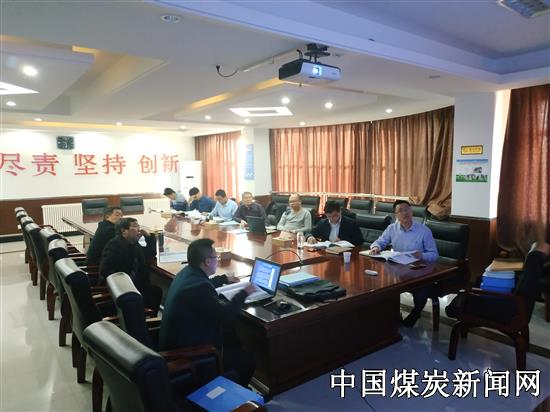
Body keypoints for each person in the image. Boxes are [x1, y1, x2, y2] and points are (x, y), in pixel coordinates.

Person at [159, 238, 256, 386]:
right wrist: (244, 293)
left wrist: (223, 279)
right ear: (207, 261)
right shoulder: (200, 287)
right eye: (216, 257)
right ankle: (232, 396)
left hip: (176, 342)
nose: (217, 260)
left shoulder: (186, 273)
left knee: (233, 339)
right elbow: (225, 314)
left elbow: (203, 283)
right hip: (188, 354)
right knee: (248, 360)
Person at [369, 200, 438, 327]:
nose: (405, 213)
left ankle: (415, 314)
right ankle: (392, 315)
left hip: (418, 271)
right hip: (399, 269)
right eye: (401, 211)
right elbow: (380, 241)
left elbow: (434, 255)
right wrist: (376, 247)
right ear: (396, 215)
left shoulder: (424, 231)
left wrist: (421, 255)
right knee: (383, 285)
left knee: (422, 290)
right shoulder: (392, 228)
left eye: (407, 209)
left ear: (412, 211)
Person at [99, 217, 162, 314]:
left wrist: (149, 237)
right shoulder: (114, 246)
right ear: (124, 230)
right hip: (121, 289)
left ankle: (148, 318)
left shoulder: (133, 244)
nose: (139, 230)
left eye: (139, 226)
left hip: (134, 286)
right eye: (135, 227)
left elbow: (150, 253)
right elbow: (106, 272)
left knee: (155, 291)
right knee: (154, 292)